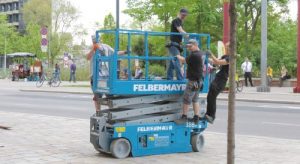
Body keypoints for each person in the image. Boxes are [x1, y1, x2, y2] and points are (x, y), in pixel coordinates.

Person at [86, 35, 128, 116]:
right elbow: (88, 57)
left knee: (110, 96)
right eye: (94, 41)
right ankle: (98, 112)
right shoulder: (92, 49)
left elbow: (115, 53)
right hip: (95, 77)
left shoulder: (106, 47)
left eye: (96, 41)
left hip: (106, 76)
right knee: (97, 96)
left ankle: (112, 114)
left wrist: (125, 52)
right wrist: (93, 49)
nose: (95, 42)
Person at [176, 39, 203, 124]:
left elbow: (184, 60)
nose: (189, 48)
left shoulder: (194, 55)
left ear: (195, 45)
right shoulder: (200, 53)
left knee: (186, 99)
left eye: (190, 46)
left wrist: (177, 55)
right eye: (188, 47)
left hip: (193, 81)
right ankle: (196, 117)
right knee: (195, 99)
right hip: (199, 81)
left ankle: (184, 117)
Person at [205, 43, 230, 124]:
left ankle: (212, 116)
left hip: (222, 80)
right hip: (218, 77)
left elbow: (218, 61)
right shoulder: (225, 56)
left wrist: (211, 54)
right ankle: (208, 114)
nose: (226, 48)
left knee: (212, 96)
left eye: (228, 47)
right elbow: (215, 62)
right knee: (209, 96)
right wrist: (207, 58)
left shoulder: (230, 58)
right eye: (226, 47)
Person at [166, 8, 189, 80]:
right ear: (179, 13)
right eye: (183, 15)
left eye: (185, 15)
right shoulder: (176, 20)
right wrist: (187, 35)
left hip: (177, 44)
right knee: (178, 61)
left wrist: (182, 42)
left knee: (174, 61)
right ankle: (180, 79)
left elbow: (179, 34)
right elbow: (180, 30)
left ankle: (169, 78)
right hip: (174, 44)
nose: (184, 16)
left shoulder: (180, 22)